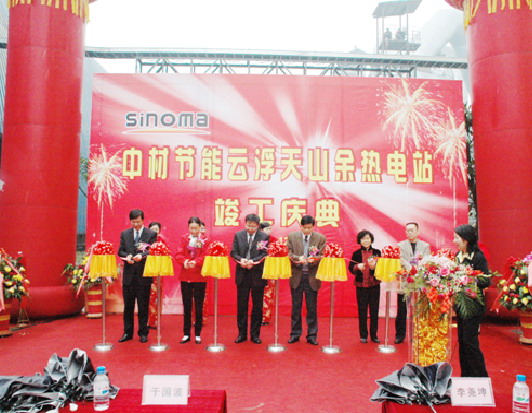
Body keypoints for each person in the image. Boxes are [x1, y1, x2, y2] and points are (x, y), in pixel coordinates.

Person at [453, 224, 490, 377]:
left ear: (466, 240)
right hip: (461, 305)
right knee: (462, 342)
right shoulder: (457, 256)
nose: (454, 241)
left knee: (470, 342)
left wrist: (469, 278)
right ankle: (466, 376)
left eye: (457, 238)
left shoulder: (478, 257)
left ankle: (481, 377)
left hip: (473, 306)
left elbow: (486, 280)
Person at [117, 209, 157, 343]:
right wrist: (127, 256)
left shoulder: (150, 234)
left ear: (143, 220)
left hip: (143, 275)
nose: (136, 224)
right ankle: (127, 333)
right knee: (128, 307)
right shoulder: (125, 234)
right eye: (133, 222)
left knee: (143, 306)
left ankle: (143, 333)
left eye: (138, 222)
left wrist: (142, 255)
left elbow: (152, 250)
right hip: (128, 276)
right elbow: (120, 251)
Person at [287, 215, 326, 345]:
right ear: (301, 226)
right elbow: (288, 253)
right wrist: (298, 258)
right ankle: (295, 334)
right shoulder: (292, 237)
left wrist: (312, 260)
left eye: (309, 228)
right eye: (304, 228)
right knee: (296, 307)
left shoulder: (320, 238)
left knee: (312, 308)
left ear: (313, 226)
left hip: (312, 276)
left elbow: (322, 255)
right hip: (296, 275)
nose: (307, 230)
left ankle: (312, 335)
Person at [230, 214, 269, 344]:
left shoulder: (263, 237)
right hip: (242, 274)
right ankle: (241, 334)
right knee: (242, 306)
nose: (250, 228)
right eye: (248, 225)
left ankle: (255, 335)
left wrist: (253, 261)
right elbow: (233, 252)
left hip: (257, 274)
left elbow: (264, 254)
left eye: (253, 226)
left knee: (257, 306)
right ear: (245, 223)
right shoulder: (238, 235)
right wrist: (241, 260)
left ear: (258, 226)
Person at [395, 222, 431, 344]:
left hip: (419, 282)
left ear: (418, 231)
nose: (409, 232)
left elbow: (427, 262)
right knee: (401, 310)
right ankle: (400, 335)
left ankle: (418, 334)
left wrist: (416, 268)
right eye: (407, 230)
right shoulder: (400, 245)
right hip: (405, 282)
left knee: (418, 310)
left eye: (411, 230)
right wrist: (408, 266)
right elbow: (399, 261)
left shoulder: (425, 246)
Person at [175, 216, 208, 344]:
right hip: (186, 276)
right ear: (188, 227)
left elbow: (206, 255)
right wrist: (185, 261)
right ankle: (186, 333)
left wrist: (196, 262)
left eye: (196, 228)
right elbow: (178, 254)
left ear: (200, 227)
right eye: (191, 228)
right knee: (187, 306)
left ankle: (198, 334)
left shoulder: (205, 239)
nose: (193, 231)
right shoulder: (184, 238)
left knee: (198, 306)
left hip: (199, 277)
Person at [348, 230, 382, 343]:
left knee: (374, 310)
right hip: (361, 286)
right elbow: (350, 266)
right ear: (359, 241)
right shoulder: (356, 253)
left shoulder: (377, 252)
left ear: (371, 240)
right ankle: (363, 335)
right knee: (362, 310)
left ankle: (374, 335)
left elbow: (382, 267)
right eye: (363, 239)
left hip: (374, 285)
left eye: (368, 238)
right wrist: (357, 266)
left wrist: (374, 267)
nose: (366, 240)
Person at [147, 221, 165, 330]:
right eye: (152, 229)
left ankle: (155, 321)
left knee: (157, 296)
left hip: (158, 273)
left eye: (156, 229)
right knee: (146, 296)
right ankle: (147, 321)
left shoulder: (162, 241)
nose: (154, 231)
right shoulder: (144, 240)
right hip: (147, 272)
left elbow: (167, 255)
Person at [260, 222, 277, 326]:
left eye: (270, 229)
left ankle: (265, 318)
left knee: (268, 294)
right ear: (261, 230)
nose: (269, 231)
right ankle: (258, 316)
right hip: (259, 270)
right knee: (258, 295)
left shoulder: (274, 240)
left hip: (270, 271)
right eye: (267, 229)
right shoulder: (258, 239)